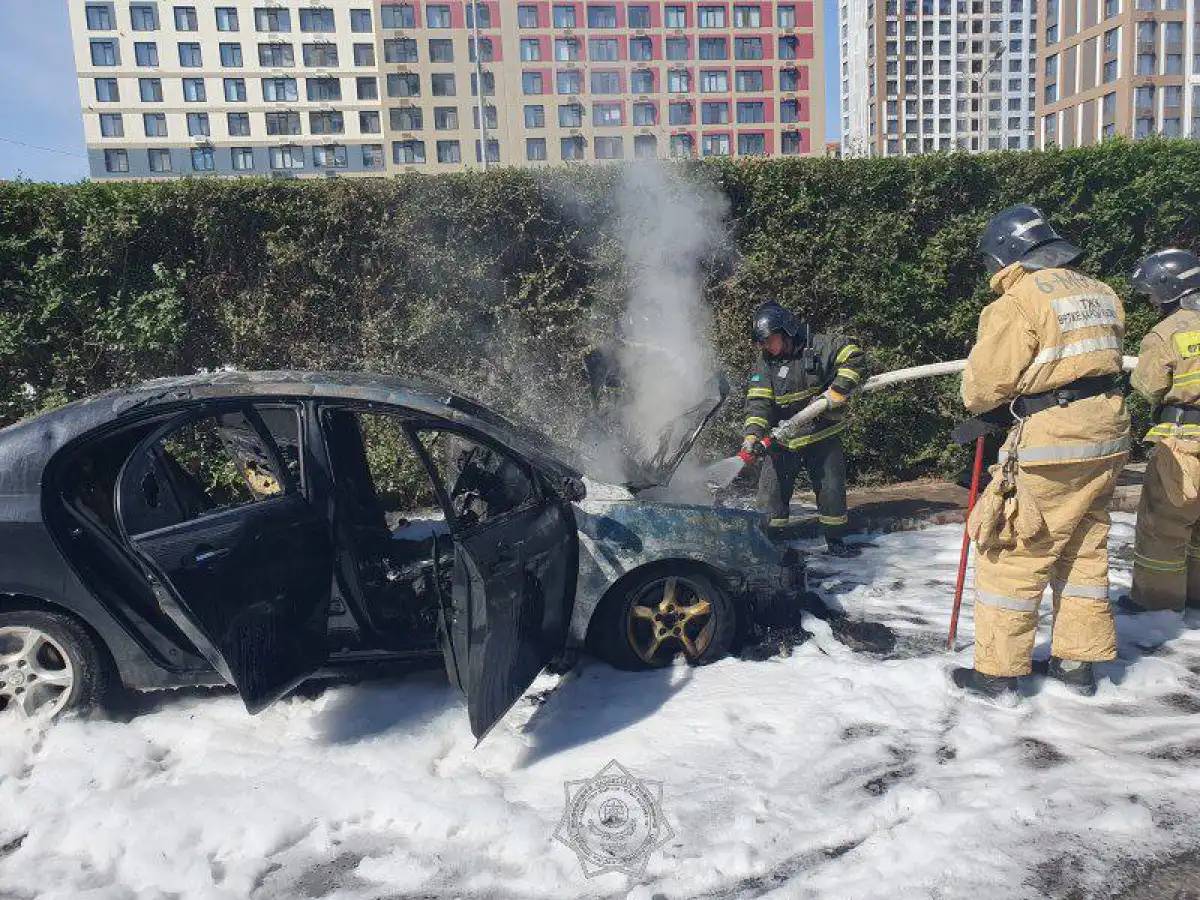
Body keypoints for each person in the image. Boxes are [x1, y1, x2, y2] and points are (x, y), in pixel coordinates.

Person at [952, 205, 1130, 699]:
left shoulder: (1019, 301)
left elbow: (985, 386)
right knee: (1083, 547)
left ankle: (999, 673)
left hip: (1055, 439)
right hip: (1107, 434)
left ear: (1007, 254)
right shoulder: (1098, 290)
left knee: (1014, 546)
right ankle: (1077, 664)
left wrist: (986, 407)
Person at [740, 301, 865, 557]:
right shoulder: (765, 363)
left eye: (768, 340)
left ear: (785, 331)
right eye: (761, 343)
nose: (765, 347)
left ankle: (836, 542)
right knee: (771, 496)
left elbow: (856, 357)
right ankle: (771, 545)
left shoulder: (819, 346)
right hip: (783, 440)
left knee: (831, 490)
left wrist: (839, 389)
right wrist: (752, 434)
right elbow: (758, 402)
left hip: (822, 434)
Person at [1123, 249, 1200, 615]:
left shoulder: (1166, 332)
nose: (1151, 300)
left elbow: (1149, 385)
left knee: (1164, 526)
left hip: (1184, 443)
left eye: (1153, 293)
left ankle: (1157, 606)